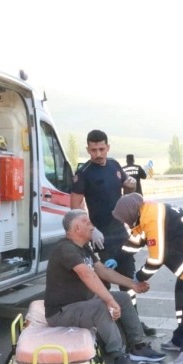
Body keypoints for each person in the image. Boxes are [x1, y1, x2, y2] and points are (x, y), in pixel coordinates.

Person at [45, 209, 165, 364]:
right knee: (102, 306)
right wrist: (109, 300)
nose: (92, 226)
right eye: (87, 222)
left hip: (82, 304)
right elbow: (88, 275)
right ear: (77, 228)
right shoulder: (65, 249)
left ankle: (137, 346)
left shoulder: (83, 247)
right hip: (61, 312)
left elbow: (102, 271)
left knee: (122, 298)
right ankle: (118, 356)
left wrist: (133, 284)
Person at [112, 193, 183, 364]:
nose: (124, 223)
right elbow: (135, 241)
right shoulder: (146, 213)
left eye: (124, 219)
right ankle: (180, 339)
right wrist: (117, 258)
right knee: (181, 300)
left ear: (131, 213)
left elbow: (156, 259)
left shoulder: (152, 218)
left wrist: (139, 278)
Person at [70, 129, 156, 336]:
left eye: (101, 149)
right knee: (106, 282)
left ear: (108, 147)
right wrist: (91, 230)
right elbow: (74, 208)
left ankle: (132, 321)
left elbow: (127, 183)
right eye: (93, 150)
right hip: (101, 236)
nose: (98, 154)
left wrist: (130, 183)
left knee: (129, 279)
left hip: (121, 231)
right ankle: (111, 325)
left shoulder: (115, 165)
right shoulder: (83, 173)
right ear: (88, 149)